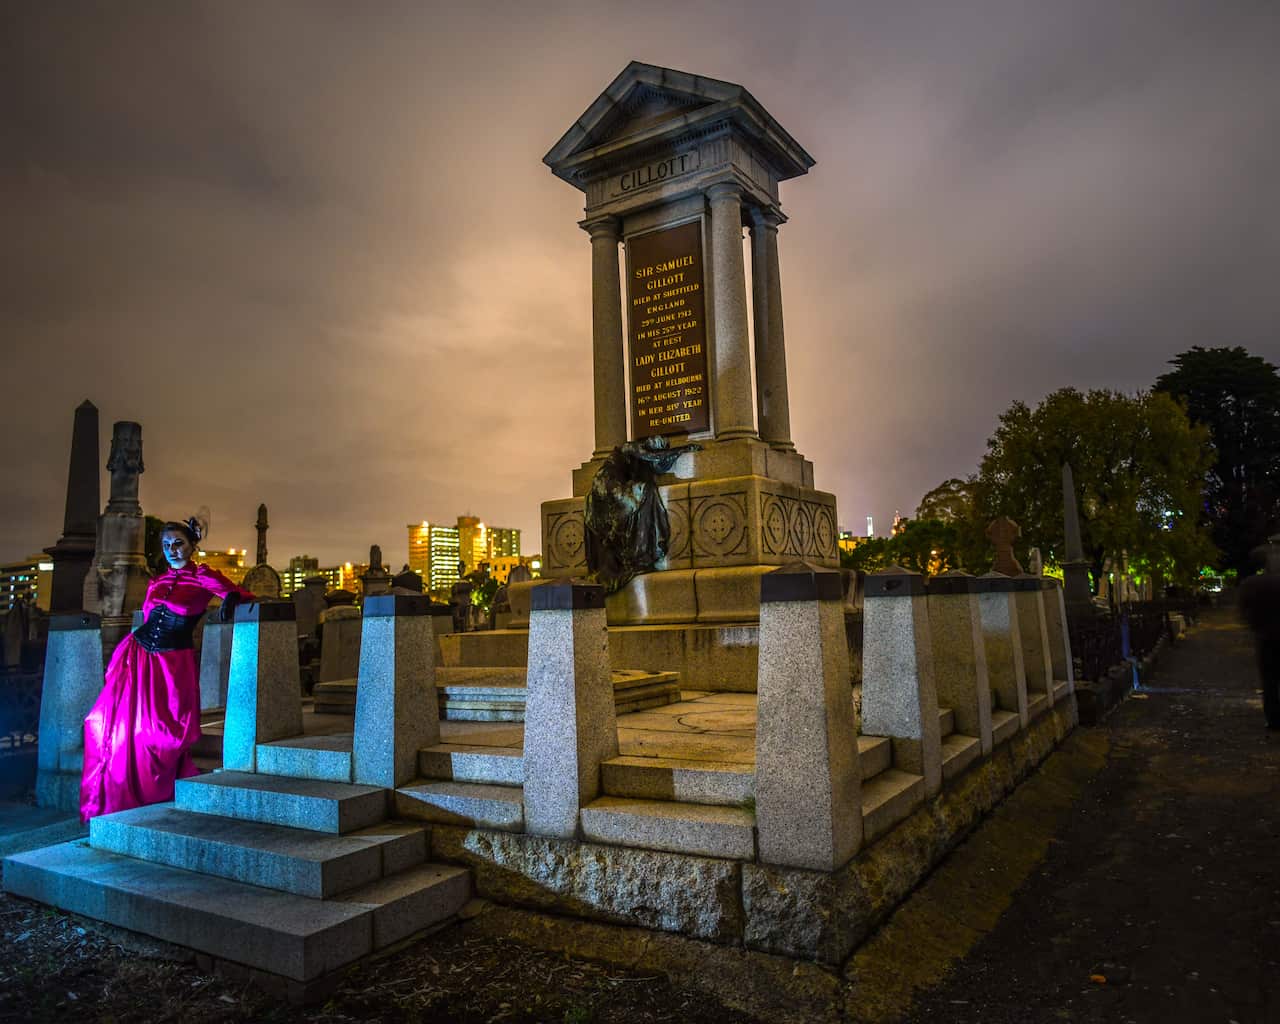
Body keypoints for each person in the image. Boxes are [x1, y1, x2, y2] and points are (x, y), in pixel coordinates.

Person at [79, 515, 256, 822]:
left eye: (178, 544)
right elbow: (148, 618)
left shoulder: (201, 576)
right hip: (138, 658)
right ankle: (120, 791)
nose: (172, 550)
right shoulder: (156, 583)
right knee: (104, 722)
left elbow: (240, 593)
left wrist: (231, 597)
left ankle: (157, 784)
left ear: (191, 546)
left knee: (165, 731)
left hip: (174, 663)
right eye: (166, 545)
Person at [1239, 534, 1280, 731]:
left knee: (1269, 680)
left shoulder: (1251, 584)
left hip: (1264, 636)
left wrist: (1254, 627)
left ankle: (1273, 719)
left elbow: (1244, 612)